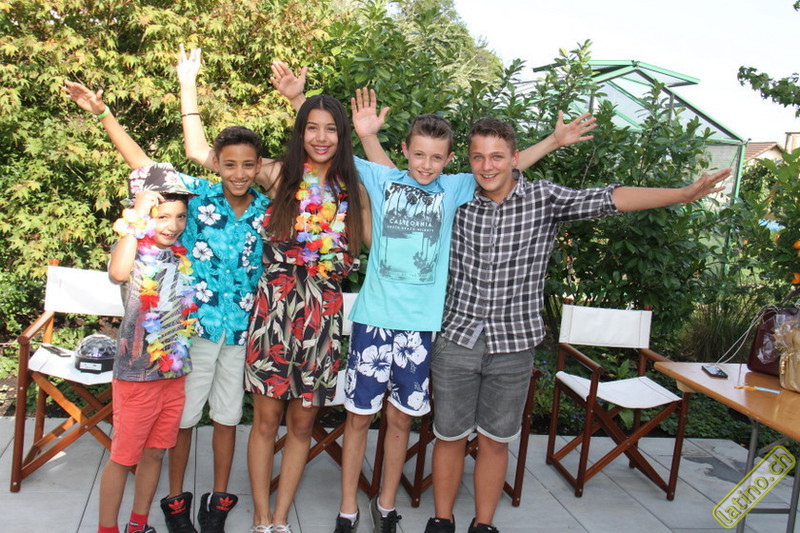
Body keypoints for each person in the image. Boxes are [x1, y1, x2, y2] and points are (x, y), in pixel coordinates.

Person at [307, 87, 597, 533]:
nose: (426, 165)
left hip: (422, 329)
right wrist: (332, 117)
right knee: (359, 417)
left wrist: (554, 141)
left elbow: (505, 165)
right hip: (373, 322)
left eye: (437, 157)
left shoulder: (457, 186)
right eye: (419, 155)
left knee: (401, 420)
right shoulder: (382, 178)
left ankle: (386, 505)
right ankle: (348, 508)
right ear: (405, 151)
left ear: (449, 160)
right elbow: (326, 146)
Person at [424, 117, 731, 533]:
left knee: (495, 442)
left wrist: (683, 194)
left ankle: (483, 525)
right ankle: (441, 522)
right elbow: (397, 181)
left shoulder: (544, 198)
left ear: (515, 158)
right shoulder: (454, 196)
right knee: (449, 437)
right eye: (478, 157)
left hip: (514, 345)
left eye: (497, 156)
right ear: (468, 160)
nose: (487, 166)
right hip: (457, 340)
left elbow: (610, 198)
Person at [178, 48, 371, 533]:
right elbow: (201, 152)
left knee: (302, 424)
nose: (321, 137)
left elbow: (372, 240)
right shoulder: (280, 174)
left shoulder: (355, 188)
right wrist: (188, 85)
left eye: (331, 129)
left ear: (342, 135)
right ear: (300, 133)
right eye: (312, 128)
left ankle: (282, 517)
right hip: (274, 312)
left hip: (321, 316)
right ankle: (261, 515)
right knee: (265, 420)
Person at [64, 79, 269, 533]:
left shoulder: (268, 209)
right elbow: (144, 167)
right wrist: (103, 114)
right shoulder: (196, 198)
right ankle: (176, 500)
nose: (238, 173)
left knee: (227, 418)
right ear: (216, 164)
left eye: (247, 165)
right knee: (182, 421)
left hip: (239, 331)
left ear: (258, 168)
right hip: (190, 335)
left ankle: (218, 499)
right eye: (229, 164)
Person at [100, 168, 197, 533]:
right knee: (124, 457)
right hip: (137, 374)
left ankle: (137, 525)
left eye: (180, 217)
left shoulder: (180, 256)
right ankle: (107, 528)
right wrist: (138, 216)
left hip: (173, 372)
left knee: (156, 452)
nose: (172, 225)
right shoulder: (134, 249)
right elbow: (118, 273)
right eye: (163, 217)